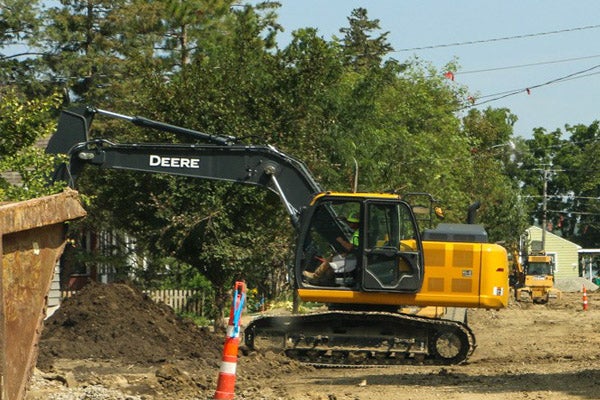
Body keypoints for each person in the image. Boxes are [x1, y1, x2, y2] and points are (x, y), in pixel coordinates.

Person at [303, 211, 360, 285]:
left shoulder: (358, 234)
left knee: (332, 259)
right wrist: (344, 220)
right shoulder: (360, 231)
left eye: (351, 222)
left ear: (356, 224)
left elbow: (350, 248)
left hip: (354, 258)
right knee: (332, 263)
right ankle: (323, 280)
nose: (349, 224)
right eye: (348, 222)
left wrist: (341, 241)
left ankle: (316, 276)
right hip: (355, 257)